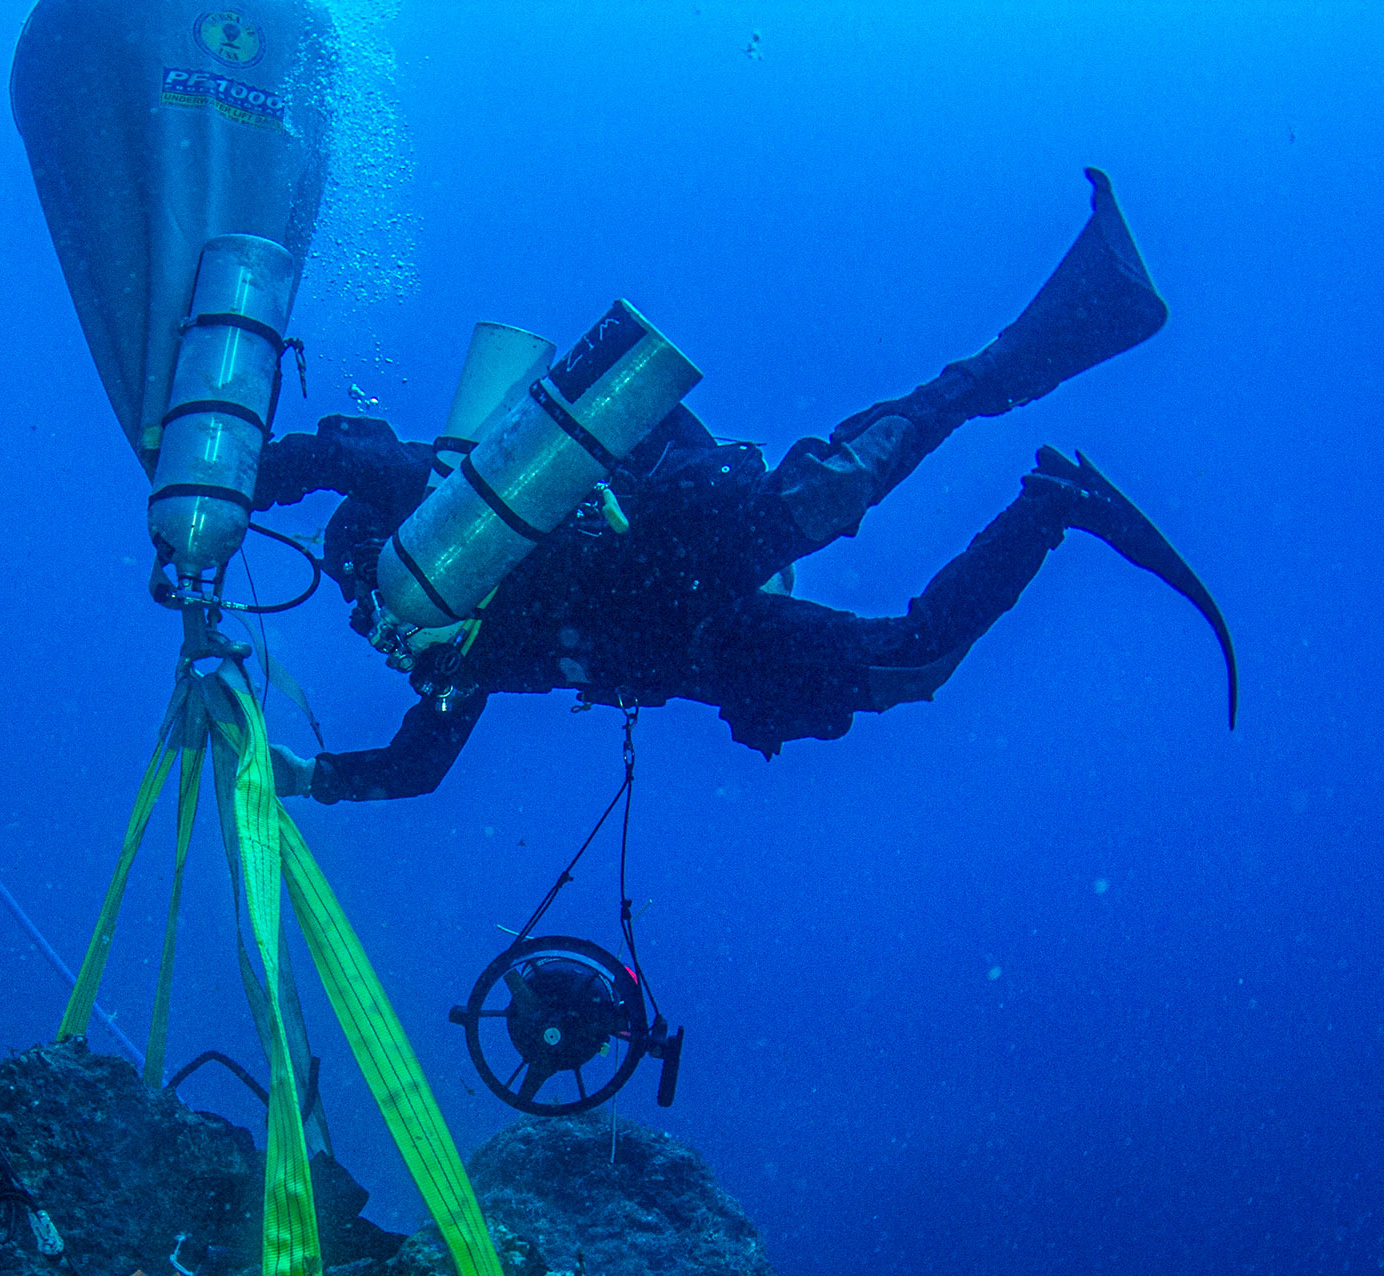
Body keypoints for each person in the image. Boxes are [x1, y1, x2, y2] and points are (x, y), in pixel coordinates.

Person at [257, 170, 1237, 804]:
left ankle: (1065, 323)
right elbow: (417, 769)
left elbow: (340, 461)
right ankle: (1054, 504)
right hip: (700, 646)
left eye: (359, 584)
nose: (369, 608)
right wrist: (294, 777)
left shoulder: (425, 517)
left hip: (680, 554)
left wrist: (225, 491)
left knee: (858, 476)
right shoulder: (446, 652)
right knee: (912, 665)